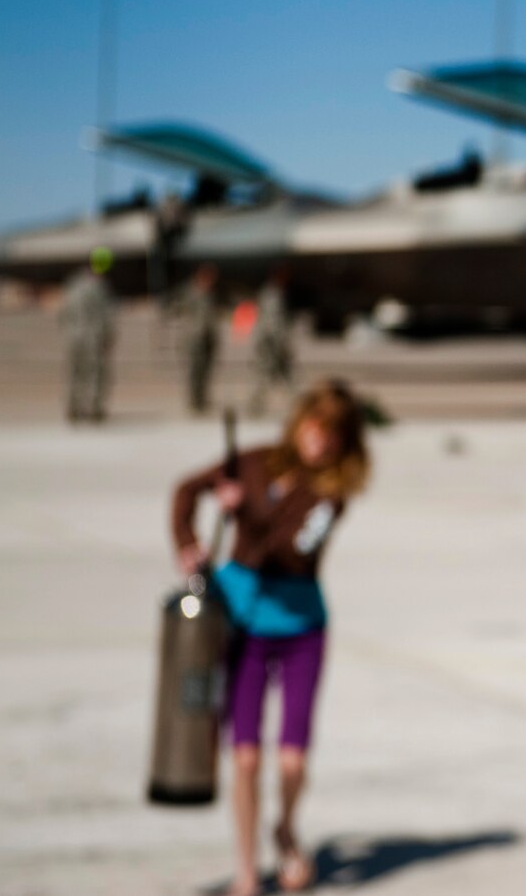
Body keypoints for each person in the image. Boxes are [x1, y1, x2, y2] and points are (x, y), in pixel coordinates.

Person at [170, 379, 371, 896]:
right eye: (316, 426)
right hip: (241, 625)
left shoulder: (332, 494)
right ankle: (244, 866)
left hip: (302, 625)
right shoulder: (255, 461)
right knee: (245, 756)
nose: (321, 441)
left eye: (334, 434)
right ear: (301, 421)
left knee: (292, 758)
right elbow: (186, 491)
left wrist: (243, 511)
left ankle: (285, 827)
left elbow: (290, 552)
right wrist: (189, 544)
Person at [61, 248, 117, 423]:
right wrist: (109, 337)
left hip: (72, 335)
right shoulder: (99, 287)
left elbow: (63, 313)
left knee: (74, 372)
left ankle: (73, 408)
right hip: (92, 336)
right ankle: (94, 409)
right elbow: (105, 314)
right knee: (95, 372)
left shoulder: (73, 286)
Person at [246, 267, 296, 416]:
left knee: (285, 375)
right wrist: (281, 344)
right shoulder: (272, 294)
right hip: (270, 344)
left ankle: (296, 404)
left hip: (273, 342)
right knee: (266, 375)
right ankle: (255, 406)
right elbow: (272, 322)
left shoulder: (274, 293)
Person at [173, 264, 221, 415]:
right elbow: (175, 306)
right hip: (193, 338)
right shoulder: (189, 291)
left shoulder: (210, 293)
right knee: (194, 370)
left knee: (205, 370)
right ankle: (194, 400)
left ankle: (202, 398)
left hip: (207, 336)